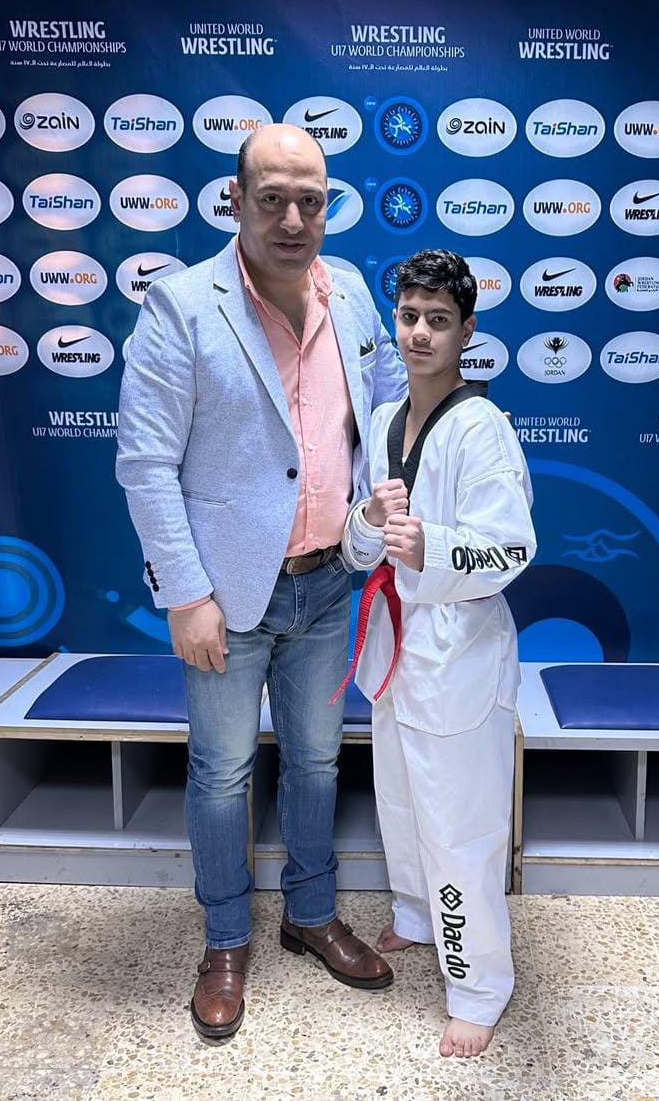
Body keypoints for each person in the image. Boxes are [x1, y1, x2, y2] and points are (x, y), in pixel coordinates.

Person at [116, 124, 407, 1039]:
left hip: (329, 584)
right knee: (221, 774)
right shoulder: (180, 305)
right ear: (234, 200)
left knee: (318, 761)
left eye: (309, 201)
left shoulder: (350, 292)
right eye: (272, 198)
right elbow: (145, 464)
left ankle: (310, 915)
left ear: (327, 206)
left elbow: (383, 416)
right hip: (225, 596)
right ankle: (226, 941)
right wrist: (186, 596)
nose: (291, 219)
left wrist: (381, 517)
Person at [339, 249, 536, 1058]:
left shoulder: (482, 427)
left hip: (458, 650)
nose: (419, 333)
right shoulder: (385, 418)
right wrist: (365, 524)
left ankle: (480, 987)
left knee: (460, 825)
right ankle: (418, 915)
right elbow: (357, 549)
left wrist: (435, 546)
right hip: (396, 645)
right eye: (409, 317)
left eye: (438, 320)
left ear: (466, 332)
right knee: (401, 801)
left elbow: (513, 547)